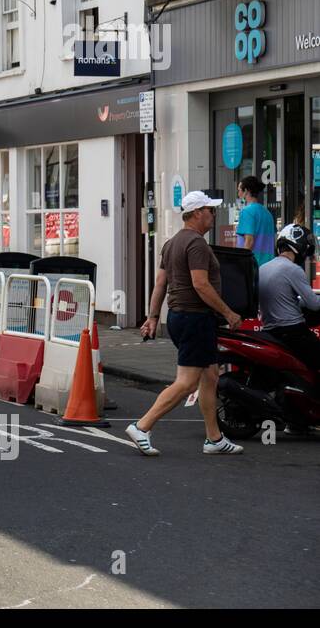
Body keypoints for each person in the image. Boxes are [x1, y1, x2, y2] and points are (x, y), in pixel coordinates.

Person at [134, 191, 245, 456]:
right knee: (187, 382)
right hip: (195, 317)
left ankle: (214, 438)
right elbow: (200, 284)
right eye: (210, 210)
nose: (213, 215)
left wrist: (152, 317)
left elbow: (160, 283)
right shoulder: (196, 244)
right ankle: (142, 426)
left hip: (180, 316)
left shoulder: (171, 243)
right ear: (197, 213)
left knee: (210, 375)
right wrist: (229, 313)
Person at [258, 222, 320, 369]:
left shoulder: (263, 268)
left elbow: (283, 300)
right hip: (293, 333)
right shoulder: (292, 269)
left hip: (270, 331)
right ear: (300, 246)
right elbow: (314, 304)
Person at [236, 175, 276, 267]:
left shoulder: (247, 212)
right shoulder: (267, 213)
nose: (238, 193)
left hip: (254, 267)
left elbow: (249, 241)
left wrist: (242, 265)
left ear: (246, 191)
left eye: (239, 190)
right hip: (269, 266)